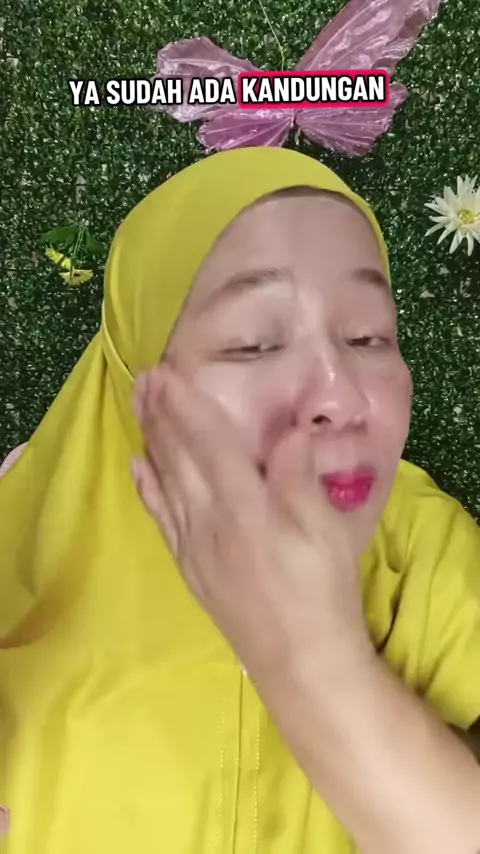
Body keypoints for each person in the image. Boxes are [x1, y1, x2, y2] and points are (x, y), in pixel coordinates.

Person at [0, 146, 480, 854]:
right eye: (254, 343)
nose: (339, 396)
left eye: (368, 335)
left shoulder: (424, 552)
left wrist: (314, 658)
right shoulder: (16, 540)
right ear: (140, 365)